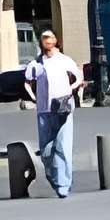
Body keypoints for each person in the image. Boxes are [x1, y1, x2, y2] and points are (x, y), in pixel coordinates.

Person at [27, 27, 85, 199]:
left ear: (55, 40)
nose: (47, 40)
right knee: (46, 150)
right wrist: (34, 98)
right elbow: (27, 82)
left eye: (50, 37)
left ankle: (63, 184)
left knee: (62, 146)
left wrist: (71, 89)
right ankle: (53, 175)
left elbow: (79, 77)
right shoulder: (36, 64)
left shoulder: (65, 60)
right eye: (44, 37)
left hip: (63, 108)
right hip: (44, 110)